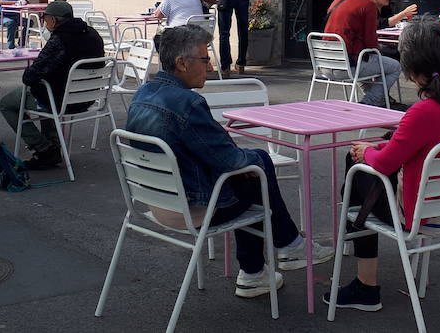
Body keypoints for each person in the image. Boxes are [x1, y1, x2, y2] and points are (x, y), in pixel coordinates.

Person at [126, 23, 332, 298]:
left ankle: (261, 269)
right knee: (257, 165)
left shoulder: (142, 94)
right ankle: (284, 250)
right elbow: (230, 159)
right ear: (182, 63)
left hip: (157, 202)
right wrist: (249, 162)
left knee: (250, 177)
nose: (210, 67)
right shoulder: (187, 103)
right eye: (204, 58)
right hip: (195, 207)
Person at [326, 18, 440, 313]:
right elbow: (410, 147)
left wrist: (367, 152)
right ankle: (352, 228)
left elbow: (384, 164)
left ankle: (366, 283)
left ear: (409, 70)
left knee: (357, 174)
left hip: (421, 215)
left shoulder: (421, 111)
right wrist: (378, 148)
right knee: (361, 177)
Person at [0, 1, 105, 169]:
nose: (44, 23)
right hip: (88, 99)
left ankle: (43, 148)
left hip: (62, 102)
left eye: (45, 19)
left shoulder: (59, 40)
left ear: (53, 20)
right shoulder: (93, 35)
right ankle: (53, 147)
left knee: (8, 104)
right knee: (47, 90)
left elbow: (30, 76)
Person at [324, 0, 401, 107]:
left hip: (325, 65)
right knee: (394, 66)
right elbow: (370, 42)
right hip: (348, 66)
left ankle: (378, 98)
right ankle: (369, 102)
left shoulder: (337, 0)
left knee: (366, 61)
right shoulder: (367, 4)